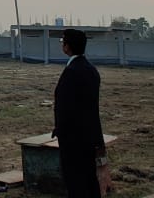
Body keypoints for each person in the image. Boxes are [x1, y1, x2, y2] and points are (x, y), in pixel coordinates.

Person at [53, 28, 105, 198]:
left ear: (68, 47)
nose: (62, 45)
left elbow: (65, 108)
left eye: (63, 42)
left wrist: (60, 129)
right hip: (89, 136)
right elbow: (92, 109)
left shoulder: (72, 72)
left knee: (75, 180)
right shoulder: (92, 71)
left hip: (72, 138)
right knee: (89, 178)